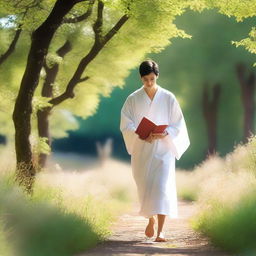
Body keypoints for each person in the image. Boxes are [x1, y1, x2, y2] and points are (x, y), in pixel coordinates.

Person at [120, 59, 190, 242]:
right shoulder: (132, 99)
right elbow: (126, 125)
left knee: (162, 188)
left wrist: (166, 132)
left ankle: (161, 231)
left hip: (163, 149)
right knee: (145, 189)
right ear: (141, 78)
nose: (149, 83)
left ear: (157, 76)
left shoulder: (168, 97)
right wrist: (142, 135)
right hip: (142, 150)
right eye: (145, 80)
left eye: (152, 79)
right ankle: (150, 219)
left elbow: (178, 124)